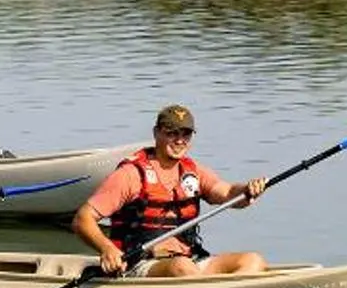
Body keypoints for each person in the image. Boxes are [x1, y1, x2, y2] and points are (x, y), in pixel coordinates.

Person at [72, 104, 266, 278]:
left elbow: (229, 193)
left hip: (190, 260)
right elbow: (83, 219)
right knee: (182, 268)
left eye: (186, 134)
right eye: (172, 133)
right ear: (156, 133)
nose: (180, 140)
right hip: (139, 264)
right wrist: (108, 249)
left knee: (252, 260)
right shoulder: (130, 175)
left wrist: (248, 189)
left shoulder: (194, 172)